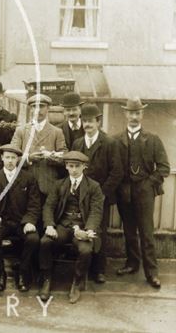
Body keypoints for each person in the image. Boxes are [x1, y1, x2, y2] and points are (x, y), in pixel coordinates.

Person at [114, 98, 170, 289]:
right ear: (125, 114)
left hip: (144, 192)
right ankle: (132, 264)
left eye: (137, 113)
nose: (134, 116)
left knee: (146, 233)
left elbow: (164, 168)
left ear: (142, 115)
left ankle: (152, 272)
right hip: (124, 192)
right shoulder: (117, 140)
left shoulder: (153, 139)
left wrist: (148, 184)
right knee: (129, 231)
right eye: (131, 113)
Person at [38, 151, 104, 304]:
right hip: (63, 225)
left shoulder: (94, 186)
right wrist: (49, 225)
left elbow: (96, 210)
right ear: (66, 167)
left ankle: (77, 282)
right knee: (45, 242)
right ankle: (47, 279)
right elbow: (48, 206)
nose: (73, 170)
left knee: (85, 249)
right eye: (70, 166)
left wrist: (89, 229)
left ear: (84, 167)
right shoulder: (59, 184)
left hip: (82, 226)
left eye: (77, 166)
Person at [71, 103, 123, 283]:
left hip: (101, 197)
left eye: (90, 121)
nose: (87, 124)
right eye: (84, 121)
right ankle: (83, 267)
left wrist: (102, 194)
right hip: (80, 196)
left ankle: (99, 269)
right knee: (82, 228)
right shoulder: (77, 143)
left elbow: (117, 172)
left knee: (99, 231)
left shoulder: (109, 143)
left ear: (98, 122)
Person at [0, 144, 41, 292]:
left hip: (21, 222)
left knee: (33, 238)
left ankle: (23, 271)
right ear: (2, 158)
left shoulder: (28, 178)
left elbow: (34, 204)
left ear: (18, 159)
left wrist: (29, 221)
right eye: (7, 157)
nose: (10, 161)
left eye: (13, 158)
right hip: (1, 222)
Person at [11, 94, 67, 197]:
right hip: (25, 186)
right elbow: (11, 158)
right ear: (30, 109)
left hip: (48, 185)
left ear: (48, 108)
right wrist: (28, 158)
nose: (38, 110)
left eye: (41, 106)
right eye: (34, 107)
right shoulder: (21, 131)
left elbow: (65, 158)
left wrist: (52, 156)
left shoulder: (57, 132)